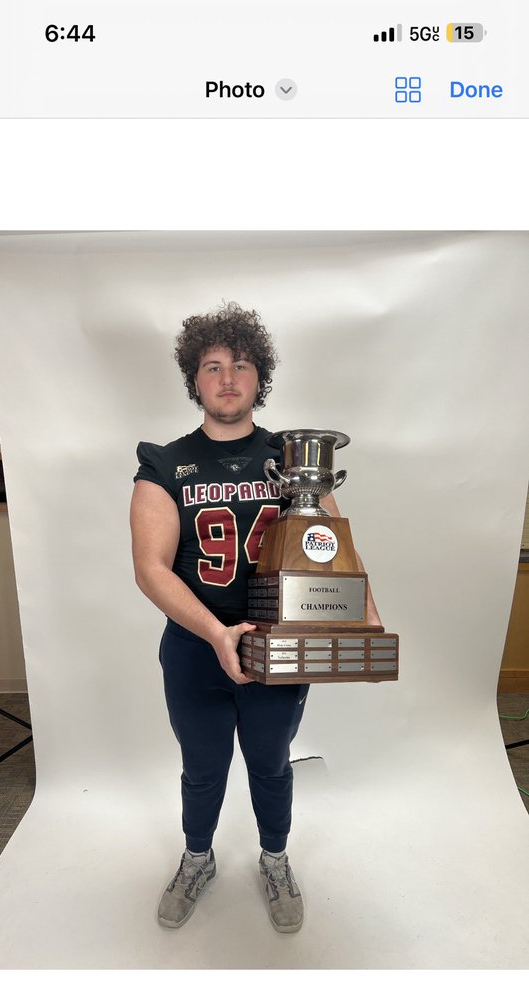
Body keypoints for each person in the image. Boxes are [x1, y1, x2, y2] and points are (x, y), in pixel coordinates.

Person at [130, 302, 340, 934]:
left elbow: (333, 555)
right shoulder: (165, 464)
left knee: (271, 762)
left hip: (276, 645)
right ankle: (199, 858)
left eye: (240, 365)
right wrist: (218, 634)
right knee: (203, 764)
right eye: (212, 366)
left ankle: (274, 859)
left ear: (259, 377)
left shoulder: (294, 457)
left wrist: (366, 624)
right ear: (194, 379)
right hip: (197, 645)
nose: (227, 378)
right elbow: (151, 568)